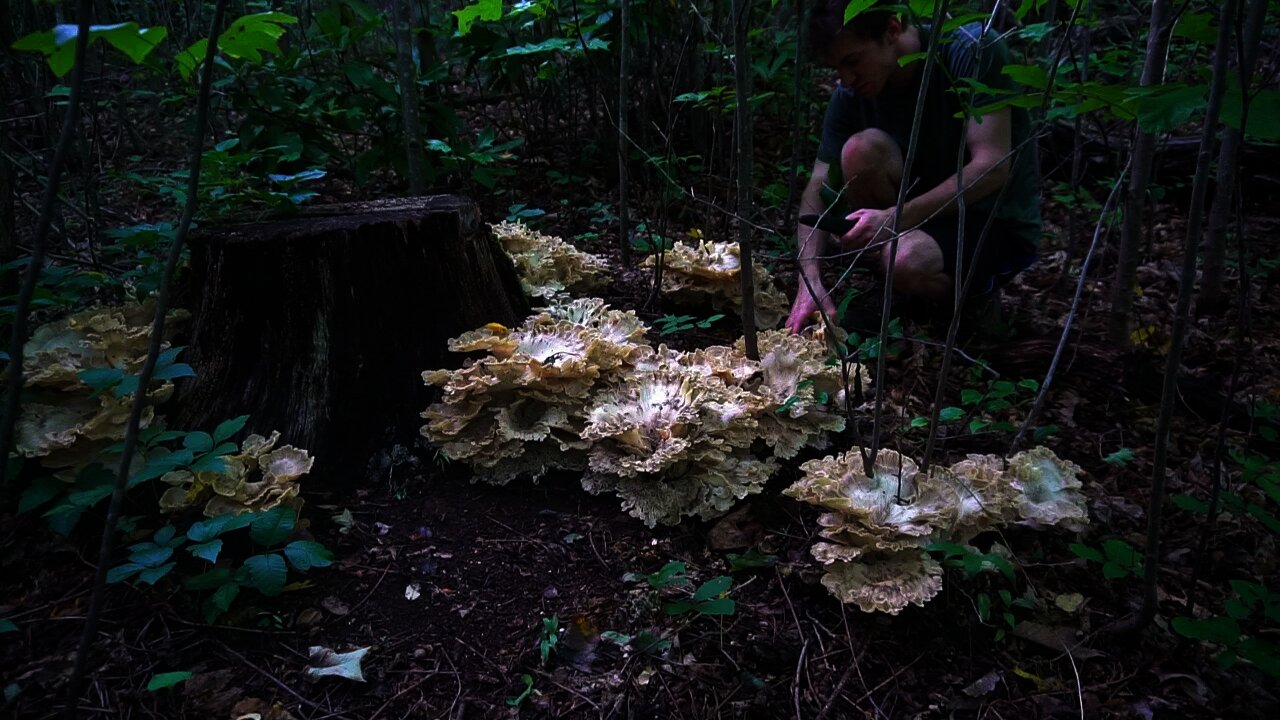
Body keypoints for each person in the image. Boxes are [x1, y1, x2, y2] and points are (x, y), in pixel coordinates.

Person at [784, 1, 1041, 335]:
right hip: (917, 217)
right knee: (859, 151)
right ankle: (901, 283)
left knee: (905, 261)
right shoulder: (851, 93)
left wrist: (896, 217)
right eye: (836, 68)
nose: (845, 79)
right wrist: (810, 280)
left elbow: (993, 166)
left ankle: (971, 300)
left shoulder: (971, 52)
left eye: (852, 61)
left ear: (892, 30)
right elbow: (820, 182)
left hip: (991, 218)